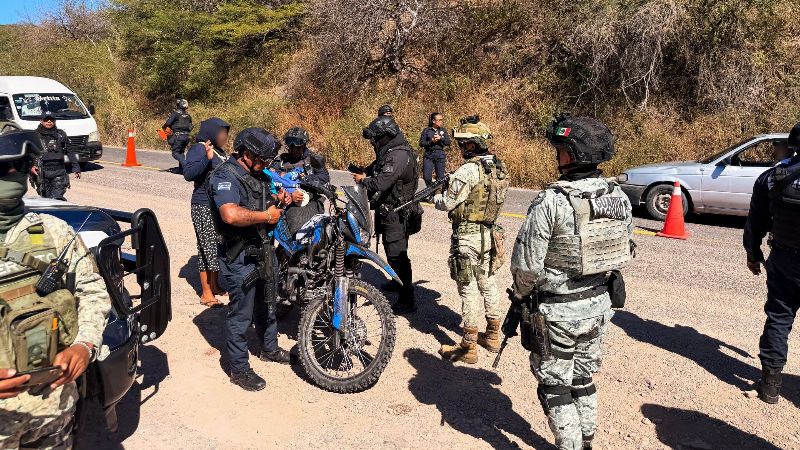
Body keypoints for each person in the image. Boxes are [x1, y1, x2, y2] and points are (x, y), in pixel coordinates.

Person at [510, 113, 634, 450]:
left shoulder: (552, 200)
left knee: (555, 387)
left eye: (562, 150)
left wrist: (519, 296)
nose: (558, 155)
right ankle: (586, 442)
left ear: (574, 154)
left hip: (557, 313)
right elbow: (626, 245)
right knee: (583, 379)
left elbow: (526, 266)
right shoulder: (618, 196)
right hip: (599, 307)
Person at [0, 128, 111, 448]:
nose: (12, 173)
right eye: (2, 167)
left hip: (54, 411)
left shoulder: (54, 233)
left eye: (20, 165)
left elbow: (92, 291)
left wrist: (84, 345)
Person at [208, 127, 295, 391]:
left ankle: (269, 348)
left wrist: (280, 200)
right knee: (241, 315)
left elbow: (262, 199)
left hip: (264, 251)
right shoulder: (225, 175)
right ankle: (239, 369)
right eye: (263, 159)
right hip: (240, 257)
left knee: (268, 303)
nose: (266, 164)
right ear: (246, 154)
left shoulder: (257, 174)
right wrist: (266, 216)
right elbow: (230, 214)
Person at [434, 116, 508, 364]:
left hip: (467, 236)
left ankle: (469, 347)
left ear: (472, 144)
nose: (461, 148)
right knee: (488, 282)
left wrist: (436, 197)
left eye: (463, 144)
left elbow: (448, 202)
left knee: (468, 289)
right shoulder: (498, 167)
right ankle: (493, 335)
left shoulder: (468, 170)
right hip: (490, 234)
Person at [743, 122, 800, 405]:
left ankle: (770, 387)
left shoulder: (771, 177)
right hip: (785, 257)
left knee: (779, 317)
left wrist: (753, 254)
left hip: (785, 259)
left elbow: (756, 221)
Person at [351, 116, 419, 314]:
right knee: (393, 253)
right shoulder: (391, 152)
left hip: (397, 214)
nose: (374, 142)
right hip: (390, 212)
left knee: (398, 256)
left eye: (376, 138)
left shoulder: (398, 155)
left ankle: (407, 299)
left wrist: (363, 180)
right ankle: (397, 283)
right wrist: (365, 171)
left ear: (385, 136)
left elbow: (381, 182)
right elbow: (378, 167)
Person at [183, 117, 229, 307]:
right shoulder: (199, 149)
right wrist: (206, 159)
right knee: (206, 248)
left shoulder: (219, 151)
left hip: (217, 206)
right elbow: (188, 174)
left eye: (226, 133)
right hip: (203, 205)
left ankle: (215, 285)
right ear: (211, 132)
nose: (225, 136)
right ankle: (206, 293)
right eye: (222, 132)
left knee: (217, 246)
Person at [270, 127, 330, 233]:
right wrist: (281, 175)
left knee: (308, 232)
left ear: (304, 145)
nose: (294, 150)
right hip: (284, 200)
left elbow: (324, 178)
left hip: (307, 201)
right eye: (291, 147)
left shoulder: (312, 160)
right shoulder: (281, 160)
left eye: (297, 147)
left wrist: (303, 179)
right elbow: (270, 177)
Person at [32, 114, 80, 200]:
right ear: (41, 121)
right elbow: (28, 153)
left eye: (51, 120)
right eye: (46, 119)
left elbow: (70, 151)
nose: (49, 121)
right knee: (45, 199)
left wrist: (76, 167)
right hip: (42, 172)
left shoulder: (61, 134)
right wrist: (31, 166)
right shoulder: (34, 135)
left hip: (59, 171)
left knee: (57, 198)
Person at [419, 112, 451, 188]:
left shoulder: (443, 130)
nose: (441, 122)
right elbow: (421, 143)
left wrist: (441, 138)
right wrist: (431, 141)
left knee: (440, 178)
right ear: (433, 121)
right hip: (428, 155)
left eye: (442, 120)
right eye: (439, 120)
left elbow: (448, 142)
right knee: (427, 177)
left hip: (440, 155)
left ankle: (438, 191)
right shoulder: (426, 130)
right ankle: (431, 190)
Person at [163, 99, 193, 166]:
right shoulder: (188, 115)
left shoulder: (176, 114)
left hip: (178, 137)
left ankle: (186, 164)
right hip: (186, 137)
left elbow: (168, 123)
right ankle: (181, 168)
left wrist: (164, 128)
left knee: (175, 153)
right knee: (181, 152)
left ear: (179, 105)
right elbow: (191, 126)